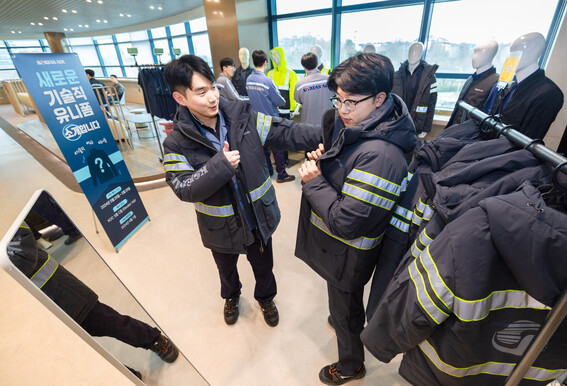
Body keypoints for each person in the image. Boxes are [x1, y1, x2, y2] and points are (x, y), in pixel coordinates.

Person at [161, 55, 321, 327]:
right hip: (220, 226)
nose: (212, 97)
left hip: (257, 218)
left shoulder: (241, 117)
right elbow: (183, 188)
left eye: (212, 87)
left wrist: (329, 132)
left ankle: (266, 298)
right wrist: (219, 166)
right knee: (226, 270)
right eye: (201, 92)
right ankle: (232, 296)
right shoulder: (176, 142)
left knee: (264, 266)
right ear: (180, 99)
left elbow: (287, 132)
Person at [295, 53, 416, 384]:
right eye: (339, 100)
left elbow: (346, 222)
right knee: (343, 304)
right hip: (341, 252)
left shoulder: (382, 155)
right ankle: (345, 325)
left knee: (345, 308)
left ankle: (350, 364)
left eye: (351, 102)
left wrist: (313, 181)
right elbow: (349, 173)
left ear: (380, 99)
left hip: (350, 254)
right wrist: (327, 161)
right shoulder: (366, 127)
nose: (342, 110)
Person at [8, 222, 179, 366]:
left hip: (62, 292)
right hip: (31, 316)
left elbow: (24, 255)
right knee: (78, 353)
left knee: (109, 322)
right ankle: (125, 375)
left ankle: (153, 340)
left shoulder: (6, 213)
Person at [482, 32, 564, 139]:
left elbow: (528, 138)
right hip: (483, 144)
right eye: (511, 51)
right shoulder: (507, 85)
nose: (512, 56)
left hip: (502, 153)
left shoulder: (549, 93)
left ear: (533, 52)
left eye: (517, 50)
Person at [246, 50, 295, 183]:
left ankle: (268, 171)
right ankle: (282, 175)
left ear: (253, 62)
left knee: (263, 149)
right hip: (270, 120)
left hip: (255, 120)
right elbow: (279, 101)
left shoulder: (249, 79)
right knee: (277, 148)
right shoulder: (267, 80)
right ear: (265, 62)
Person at [445, 40, 499, 127]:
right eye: (475, 52)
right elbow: (458, 109)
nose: (474, 57)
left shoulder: (495, 84)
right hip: (454, 131)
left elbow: (488, 120)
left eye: (481, 53)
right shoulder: (470, 79)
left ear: (491, 55)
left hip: (469, 137)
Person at [391, 42, 438, 139]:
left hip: (416, 123)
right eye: (411, 51)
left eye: (417, 51)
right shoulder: (397, 75)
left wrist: (426, 128)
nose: (413, 54)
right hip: (397, 123)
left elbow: (431, 103)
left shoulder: (429, 78)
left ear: (421, 54)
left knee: (410, 150)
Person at [294, 52, 334, 126]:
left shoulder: (299, 85)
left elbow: (298, 101)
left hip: (308, 125)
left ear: (303, 66)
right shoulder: (330, 80)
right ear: (317, 63)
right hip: (328, 124)